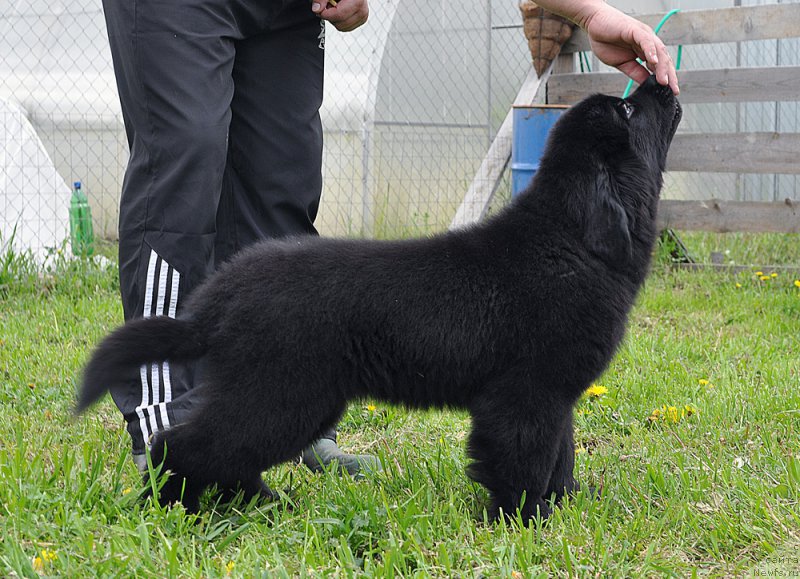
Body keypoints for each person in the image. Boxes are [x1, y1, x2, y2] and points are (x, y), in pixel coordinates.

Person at [101, 0, 678, 477]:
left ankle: (276, 416)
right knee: (189, 158)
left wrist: (589, 11)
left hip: (284, 9)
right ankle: (170, 426)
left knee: (281, 180)